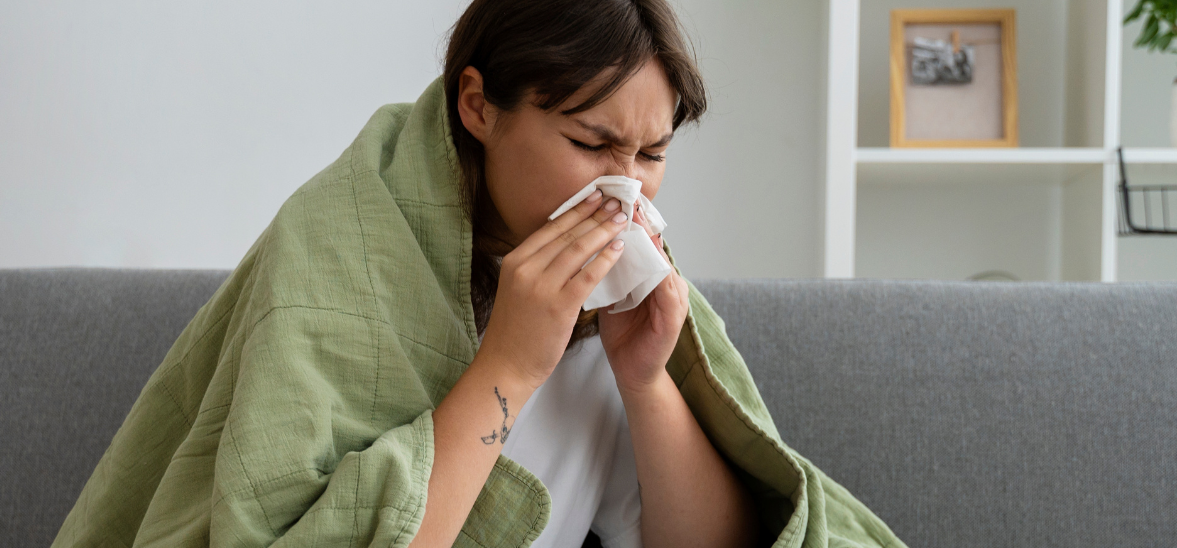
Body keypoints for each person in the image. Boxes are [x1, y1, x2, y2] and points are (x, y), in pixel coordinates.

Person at [52, 1, 904, 547]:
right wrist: (509, 365)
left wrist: (646, 384)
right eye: (589, 143)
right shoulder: (342, 240)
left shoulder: (619, 293)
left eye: (651, 154)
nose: (626, 187)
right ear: (477, 106)